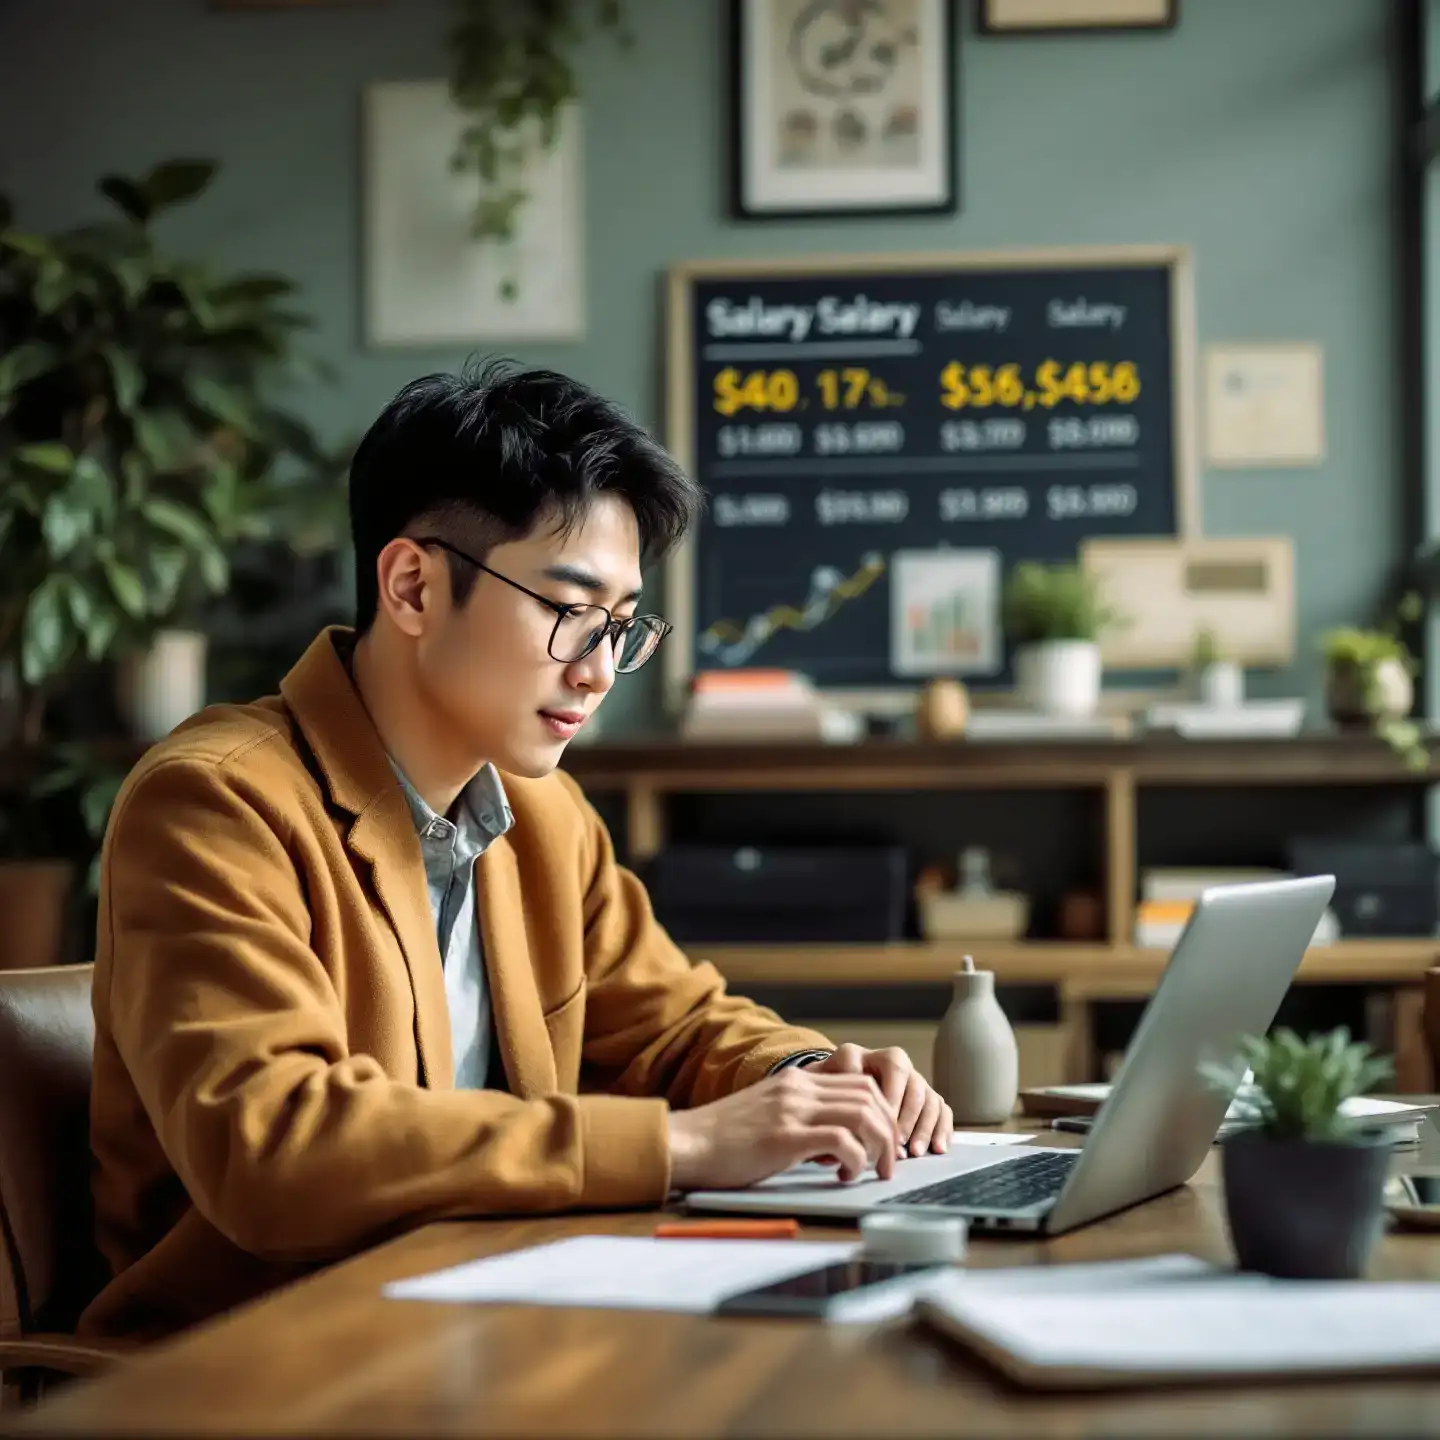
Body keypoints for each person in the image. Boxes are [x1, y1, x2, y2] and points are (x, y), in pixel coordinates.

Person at [81, 361, 954, 1341]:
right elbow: (276, 1148)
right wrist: (680, 1146)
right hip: (268, 1359)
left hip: (492, 1321)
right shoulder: (215, 799)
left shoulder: (544, 814)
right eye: (568, 610)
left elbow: (673, 1028)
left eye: (621, 627)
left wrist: (809, 1079)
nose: (596, 671)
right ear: (412, 585)